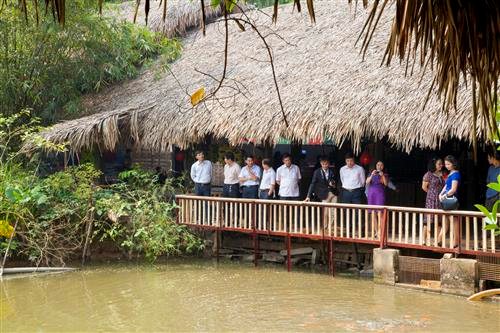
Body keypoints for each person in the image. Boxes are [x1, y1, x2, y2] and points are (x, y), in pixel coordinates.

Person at [421, 157, 445, 245]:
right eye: (439, 164)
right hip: (431, 200)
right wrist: (432, 193)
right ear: (434, 165)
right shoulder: (428, 174)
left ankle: (438, 241)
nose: (441, 165)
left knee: (438, 220)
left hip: (439, 199)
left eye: (441, 164)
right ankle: (424, 240)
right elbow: (424, 187)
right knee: (428, 220)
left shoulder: (442, 174)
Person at [438, 155, 461, 247]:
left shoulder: (455, 174)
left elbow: (453, 189)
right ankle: (440, 239)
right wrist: (441, 194)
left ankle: (456, 242)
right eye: (446, 164)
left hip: (451, 199)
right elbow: (446, 186)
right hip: (446, 198)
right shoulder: (451, 173)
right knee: (446, 220)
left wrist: (444, 196)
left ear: (453, 164)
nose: (446, 166)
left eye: (448, 164)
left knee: (453, 220)